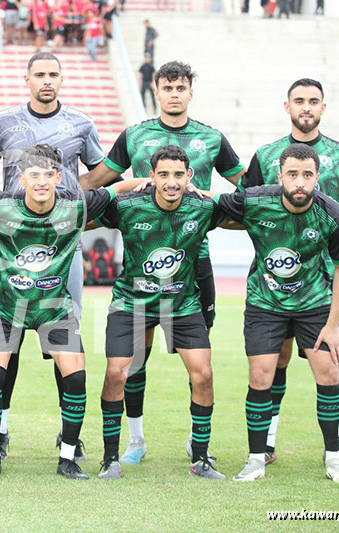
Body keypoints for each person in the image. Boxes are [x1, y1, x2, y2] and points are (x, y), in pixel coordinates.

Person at [0, 144, 139, 479]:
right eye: (34, 174)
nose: (41, 181)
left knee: (76, 377)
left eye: (48, 174)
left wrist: (152, 182)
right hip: (6, 307)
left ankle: (67, 458)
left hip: (53, 308)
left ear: (58, 177)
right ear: (22, 178)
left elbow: (116, 189)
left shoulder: (77, 204)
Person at [79, 60, 245, 465]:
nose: (174, 94)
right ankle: (135, 440)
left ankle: (196, 442)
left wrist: (212, 197)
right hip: (143, 259)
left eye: (180, 87)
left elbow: (248, 187)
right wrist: (49, 191)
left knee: (199, 360)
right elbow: (95, 182)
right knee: (136, 357)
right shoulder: (135, 135)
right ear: (156, 91)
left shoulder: (211, 138)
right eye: (167, 87)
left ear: (190, 92)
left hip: (194, 263)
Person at [241, 78, 339, 472]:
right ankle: (267, 443)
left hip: (324, 281)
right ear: (288, 106)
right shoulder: (265, 155)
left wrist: (321, 224)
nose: (306, 107)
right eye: (299, 100)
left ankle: (336, 448)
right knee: (274, 360)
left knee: (330, 362)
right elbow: (245, 206)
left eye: (314, 101)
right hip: (275, 280)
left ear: (323, 107)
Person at [0, 52, 106, 460]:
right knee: (7, 338)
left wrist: (76, 198)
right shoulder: (4, 122)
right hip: (14, 244)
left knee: (64, 338)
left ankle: (67, 434)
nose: (47, 80)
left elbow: (101, 171)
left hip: (61, 245)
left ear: (62, 79)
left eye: (54, 74)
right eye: (40, 74)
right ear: (27, 79)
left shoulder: (81, 123)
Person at [219, 144, 339, 484]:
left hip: (314, 303)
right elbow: (212, 204)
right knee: (260, 375)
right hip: (266, 303)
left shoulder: (334, 215)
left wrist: (333, 325)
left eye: (307, 175)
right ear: (280, 176)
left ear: (317, 177)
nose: (300, 182)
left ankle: (334, 457)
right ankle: (256, 459)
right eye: (292, 174)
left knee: (329, 372)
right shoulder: (255, 200)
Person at [95, 145, 229, 480]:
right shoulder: (128, 206)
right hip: (131, 303)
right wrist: (126, 185)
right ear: (152, 176)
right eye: (164, 174)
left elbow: (249, 215)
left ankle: (200, 458)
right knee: (116, 373)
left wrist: (211, 195)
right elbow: (81, 214)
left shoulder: (203, 207)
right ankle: (111, 457)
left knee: (203, 374)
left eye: (179, 175)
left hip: (181, 304)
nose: (172, 182)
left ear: (189, 177)